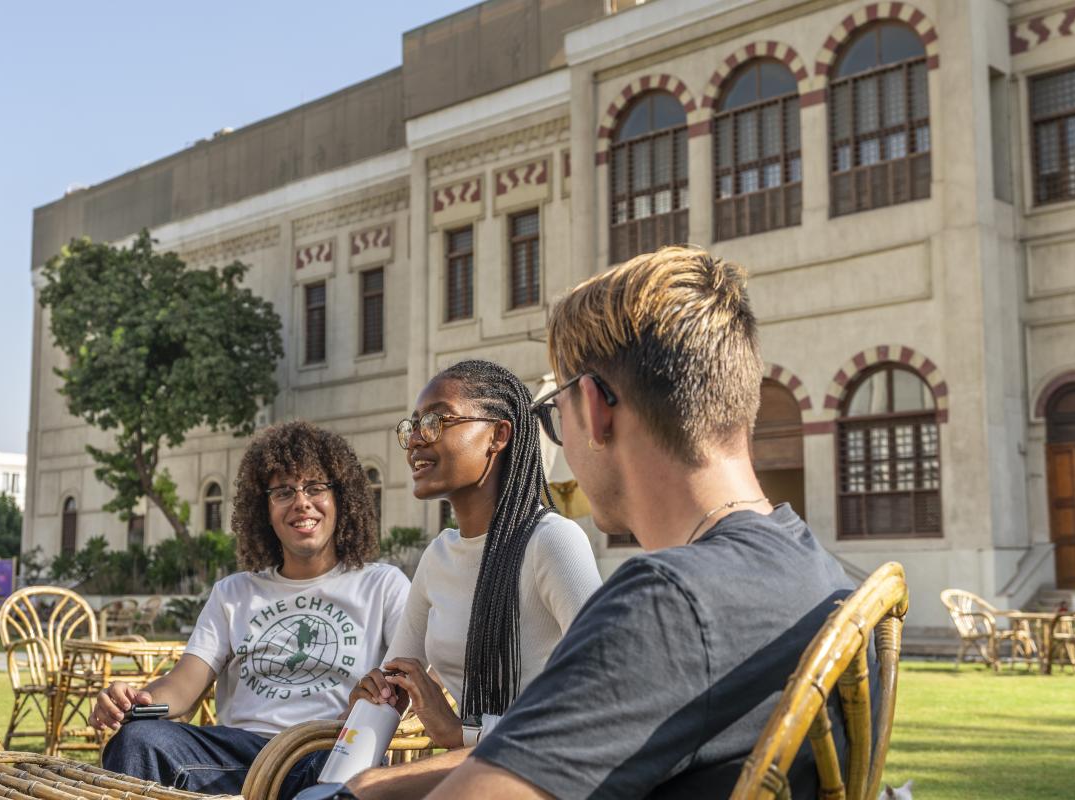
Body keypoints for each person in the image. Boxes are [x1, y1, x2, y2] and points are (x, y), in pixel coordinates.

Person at [329, 246, 857, 800]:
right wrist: (370, 783)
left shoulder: (668, 605)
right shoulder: (822, 575)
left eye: (555, 413)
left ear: (594, 408)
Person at [91, 421, 410, 796]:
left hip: (328, 749)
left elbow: (412, 682)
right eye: (283, 491)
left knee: (342, 773)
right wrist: (134, 701)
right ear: (264, 509)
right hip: (238, 756)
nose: (301, 502)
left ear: (342, 498)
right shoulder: (234, 593)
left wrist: (362, 713)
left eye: (315, 487)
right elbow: (183, 687)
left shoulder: (382, 585)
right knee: (137, 740)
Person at [348, 360, 602, 748]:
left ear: (498, 435)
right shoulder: (439, 556)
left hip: (543, 773)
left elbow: (604, 698)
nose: (416, 439)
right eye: (412, 426)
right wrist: (370, 699)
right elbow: (393, 684)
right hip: (472, 769)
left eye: (436, 422)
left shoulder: (552, 542)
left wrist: (459, 733)